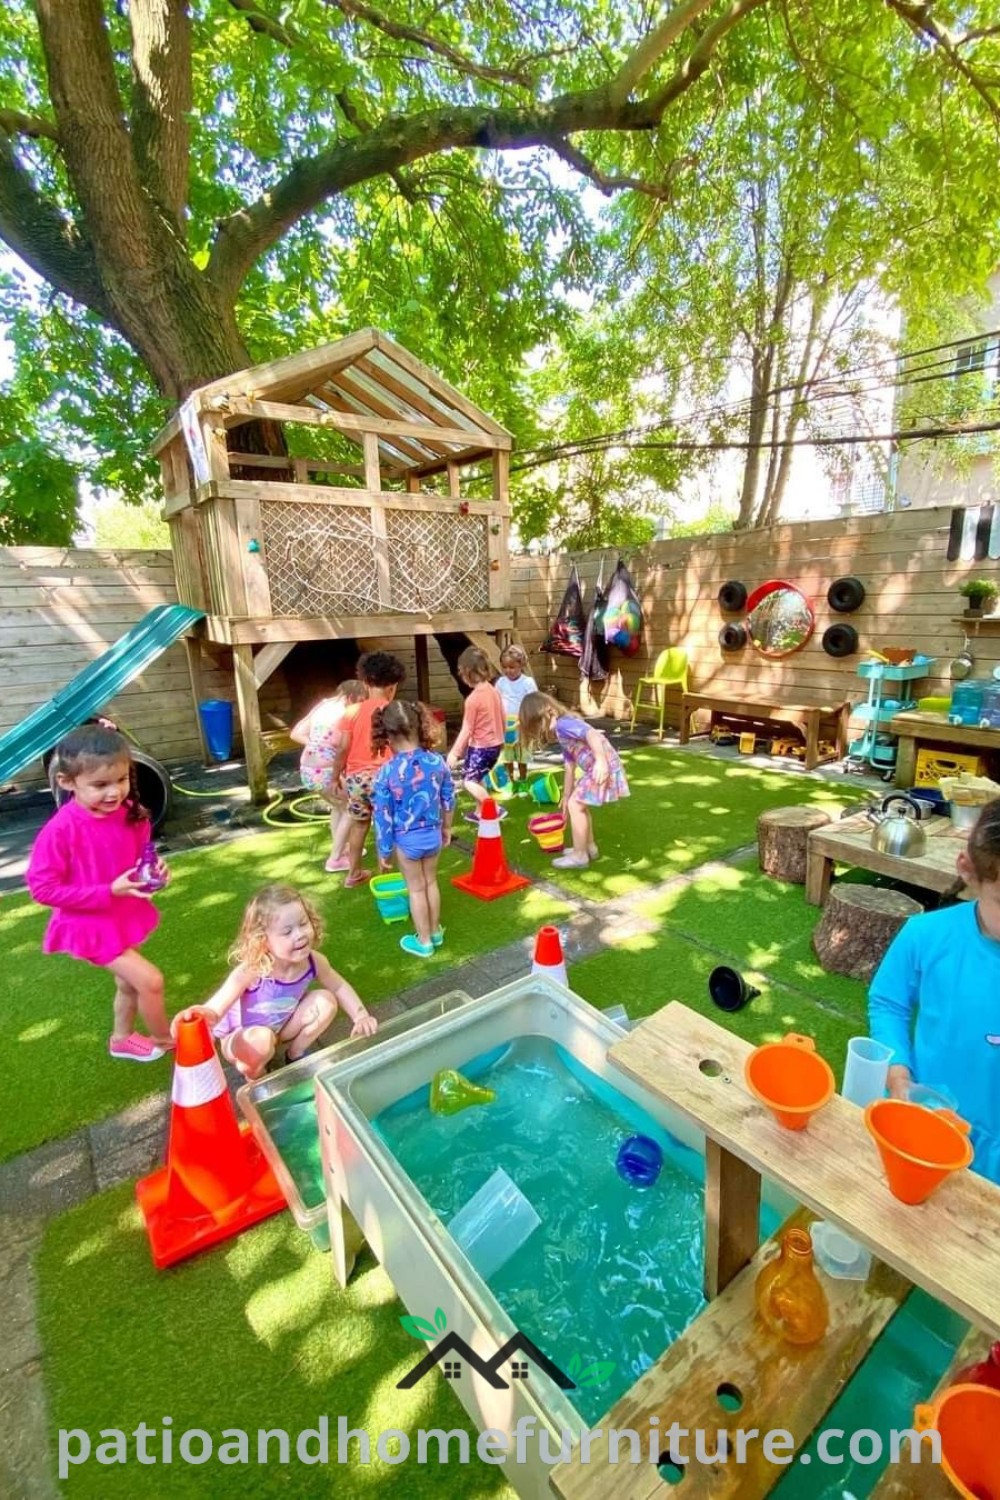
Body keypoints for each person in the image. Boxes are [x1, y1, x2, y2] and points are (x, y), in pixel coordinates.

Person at [869, 798, 1000, 1185]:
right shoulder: (926, 935)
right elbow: (888, 1002)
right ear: (969, 872)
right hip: (928, 1125)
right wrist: (897, 1073)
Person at [26, 724, 173, 1062]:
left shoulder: (131, 816)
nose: (113, 793)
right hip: (89, 927)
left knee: (128, 984)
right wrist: (108, 891)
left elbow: (139, 862)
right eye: (100, 785)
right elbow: (43, 889)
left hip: (118, 916)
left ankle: (121, 1039)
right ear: (67, 782)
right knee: (150, 980)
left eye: (120, 780)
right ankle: (168, 1042)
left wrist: (155, 874)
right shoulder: (61, 831)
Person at [173, 884, 377, 1080]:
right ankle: (258, 1078)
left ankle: (295, 1055)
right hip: (241, 1039)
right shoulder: (253, 969)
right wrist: (200, 1015)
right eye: (287, 932)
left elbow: (339, 986)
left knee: (326, 1000)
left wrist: (361, 1016)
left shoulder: (314, 961)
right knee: (260, 1042)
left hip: (280, 1030)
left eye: (303, 923)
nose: (300, 935)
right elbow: (216, 1008)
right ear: (264, 940)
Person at [372, 701, 455, 958]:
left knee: (416, 889)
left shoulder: (387, 772)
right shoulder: (437, 761)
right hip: (433, 835)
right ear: (421, 726)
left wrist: (384, 851)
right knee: (431, 883)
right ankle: (435, 930)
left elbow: (383, 815)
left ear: (386, 735)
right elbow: (449, 797)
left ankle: (424, 940)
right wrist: (447, 827)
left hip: (406, 840)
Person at [518, 692, 630, 869]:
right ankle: (588, 847)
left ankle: (580, 855)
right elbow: (569, 765)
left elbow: (592, 734)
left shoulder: (564, 724)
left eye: (539, 725)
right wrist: (566, 794)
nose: (541, 731)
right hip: (597, 767)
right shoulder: (562, 733)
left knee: (576, 805)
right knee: (577, 804)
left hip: (601, 766)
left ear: (550, 712)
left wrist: (601, 761)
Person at [328, 651, 407, 888]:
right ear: (392, 686)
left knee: (360, 823)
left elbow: (342, 748)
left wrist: (334, 776)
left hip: (357, 780)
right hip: (387, 777)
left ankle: (353, 874)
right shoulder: (395, 711)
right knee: (390, 823)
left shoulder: (351, 712)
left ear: (365, 682)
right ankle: (388, 872)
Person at [291, 678, 367, 873]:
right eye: (361, 699)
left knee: (338, 806)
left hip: (307, 768)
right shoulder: (345, 713)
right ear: (353, 697)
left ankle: (341, 849)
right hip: (325, 770)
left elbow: (296, 733)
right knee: (352, 808)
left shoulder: (323, 705)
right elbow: (343, 745)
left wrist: (314, 744)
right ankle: (334, 859)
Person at [446, 646, 506, 823]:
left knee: (469, 782)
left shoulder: (473, 699)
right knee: (478, 777)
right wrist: (501, 738)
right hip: (494, 746)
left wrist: (455, 753)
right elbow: (502, 715)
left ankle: (493, 808)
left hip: (480, 747)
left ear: (466, 673)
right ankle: (481, 812)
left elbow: (467, 729)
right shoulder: (493, 690)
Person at [495, 644, 538, 793]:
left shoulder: (528, 682)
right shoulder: (501, 682)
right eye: (505, 667)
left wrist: (529, 720)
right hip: (506, 724)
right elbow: (497, 701)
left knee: (522, 754)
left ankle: (523, 780)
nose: (508, 671)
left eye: (512, 667)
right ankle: (510, 781)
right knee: (507, 754)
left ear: (521, 665)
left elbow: (534, 702)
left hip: (522, 724)